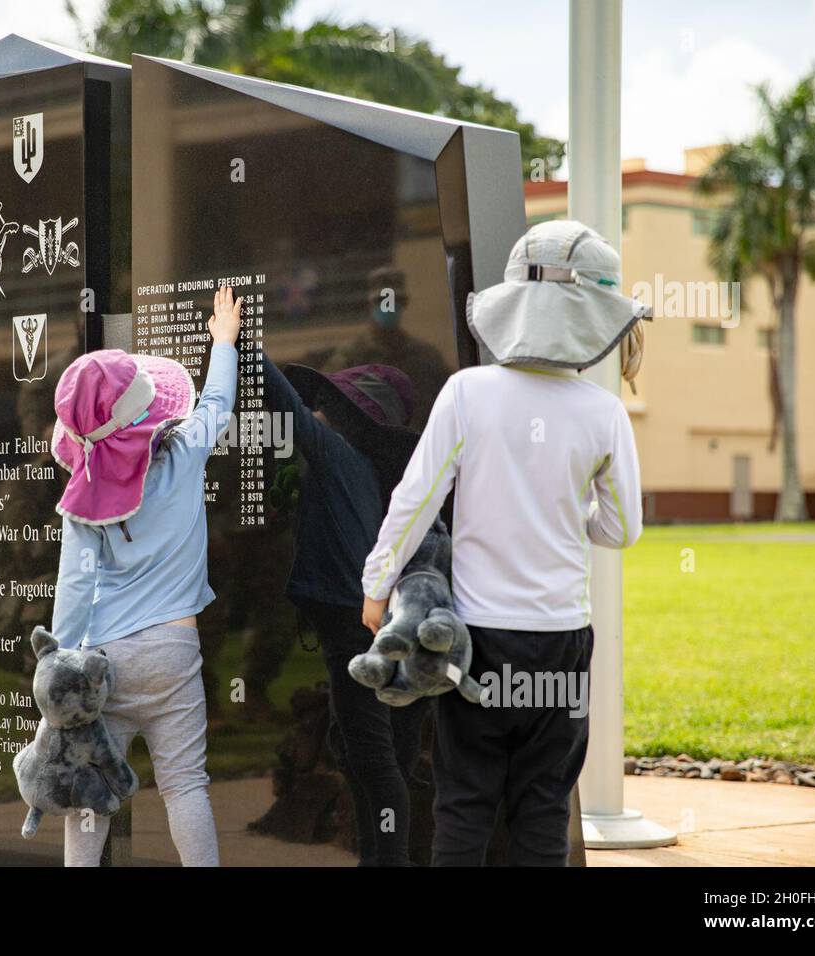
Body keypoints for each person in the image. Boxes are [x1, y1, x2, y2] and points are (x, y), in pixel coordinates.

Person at [361, 220, 650, 866]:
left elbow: (415, 499)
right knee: (544, 809)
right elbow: (622, 528)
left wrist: (377, 584)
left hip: (480, 645)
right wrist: (568, 512)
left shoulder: (467, 393)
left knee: (463, 806)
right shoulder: (604, 413)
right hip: (562, 643)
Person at [49, 287, 244, 867]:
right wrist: (224, 343)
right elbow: (216, 405)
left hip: (102, 663)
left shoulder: (80, 502)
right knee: (185, 785)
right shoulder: (184, 456)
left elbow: (74, 588)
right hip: (173, 651)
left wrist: (59, 671)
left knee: (91, 794)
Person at [263, 354, 425, 866]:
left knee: (372, 757)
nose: (316, 412)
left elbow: (284, 405)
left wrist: (236, 341)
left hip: (351, 627)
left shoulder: (336, 454)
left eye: (327, 403)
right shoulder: (381, 467)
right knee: (375, 751)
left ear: (351, 414)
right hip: (396, 623)